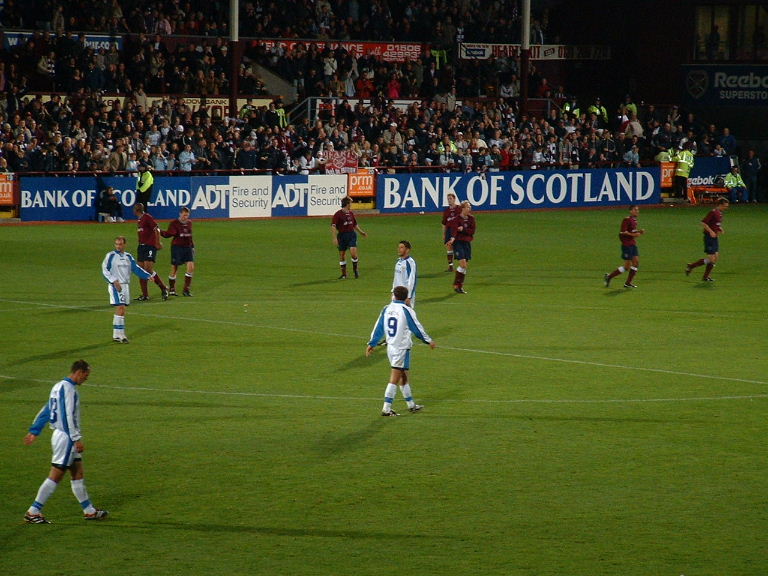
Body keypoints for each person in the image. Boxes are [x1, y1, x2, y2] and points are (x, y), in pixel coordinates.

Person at [22, 359, 108, 523]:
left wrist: (35, 430)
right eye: (86, 375)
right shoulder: (69, 389)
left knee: (77, 472)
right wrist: (76, 439)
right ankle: (33, 511)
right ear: (79, 372)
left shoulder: (57, 387)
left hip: (63, 435)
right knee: (56, 475)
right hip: (66, 437)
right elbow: (67, 416)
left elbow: (47, 409)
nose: (86, 378)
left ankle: (89, 510)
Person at [366, 286, 436, 417]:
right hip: (401, 348)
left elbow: (379, 326)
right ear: (406, 297)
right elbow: (416, 328)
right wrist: (428, 340)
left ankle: (411, 405)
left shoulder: (387, 308)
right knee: (395, 378)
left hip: (391, 347)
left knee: (404, 376)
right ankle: (386, 409)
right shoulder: (406, 310)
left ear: (394, 295)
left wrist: (372, 343)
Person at [102, 236, 154, 343]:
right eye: (116, 244)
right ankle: (121, 335)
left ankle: (116, 335)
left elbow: (135, 268)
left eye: (120, 244)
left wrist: (147, 276)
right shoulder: (110, 256)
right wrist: (114, 281)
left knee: (122, 310)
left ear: (124, 245)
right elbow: (104, 270)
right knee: (120, 308)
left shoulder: (128, 257)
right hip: (116, 285)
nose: (118, 246)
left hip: (125, 286)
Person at [685, 197, 729, 282]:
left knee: (715, 258)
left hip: (715, 238)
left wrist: (720, 228)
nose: (726, 208)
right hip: (709, 237)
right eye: (725, 206)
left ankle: (705, 276)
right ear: (720, 205)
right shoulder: (713, 212)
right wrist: (711, 232)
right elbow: (703, 223)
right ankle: (692, 266)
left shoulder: (720, 213)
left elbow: (716, 224)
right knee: (711, 259)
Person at [133, 203, 169, 301]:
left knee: (148, 269)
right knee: (141, 271)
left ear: (136, 210)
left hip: (149, 246)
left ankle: (163, 288)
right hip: (141, 247)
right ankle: (145, 295)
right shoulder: (139, 220)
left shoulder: (147, 217)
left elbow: (156, 229)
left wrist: (158, 242)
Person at [603, 205, 646, 288]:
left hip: (632, 244)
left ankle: (628, 283)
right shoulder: (626, 220)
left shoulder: (634, 220)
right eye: (635, 210)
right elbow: (623, 232)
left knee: (636, 263)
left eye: (638, 210)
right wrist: (634, 234)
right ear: (630, 211)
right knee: (627, 266)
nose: (637, 211)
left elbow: (631, 231)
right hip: (627, 245)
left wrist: (639, 231)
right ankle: (609, 277)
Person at [160, 206, 195, 296]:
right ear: (180, 214)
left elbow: (190, 236)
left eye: (187, 215)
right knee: (174, 268)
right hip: (177, 247)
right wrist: (159, 231)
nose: (185, 217)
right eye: (184, 215)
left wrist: (193, 247)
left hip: (187, 248)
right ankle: (172, 289)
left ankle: (186, 290)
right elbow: (168, 234)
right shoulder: (174, 223)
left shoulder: (189, 223)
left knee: (191, 267)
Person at [331, 196, 367, 279]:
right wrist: (334, 238)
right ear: (347, 204)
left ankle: (355, 270)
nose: (351, 204)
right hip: (342, 236)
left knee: (353, 254)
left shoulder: (351, 213)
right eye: (350, 203)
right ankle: (344, 274)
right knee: (342, 255)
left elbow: (354, 224)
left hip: (351, 235)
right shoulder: (338, 214)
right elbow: (333, 226)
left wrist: (361, 232)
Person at [447, 201, 476, 294]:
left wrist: (463, 229)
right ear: (462, 208)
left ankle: (459, 286)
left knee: (464, 266)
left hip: (467, 243)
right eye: (467, 207)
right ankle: (456, 284)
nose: (469, 208)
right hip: (458, 243)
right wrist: (452, 239)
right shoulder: (456, 219)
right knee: (463, 265)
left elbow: (472, 231)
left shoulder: (471, 219)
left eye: (470, 207)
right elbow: (454, 231)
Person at [392, 240, 417, 307]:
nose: (399, 249)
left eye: (401, 247)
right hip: (396, 295)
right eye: (398, 247)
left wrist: (408, 297)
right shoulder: (398, 262)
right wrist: (393, 292)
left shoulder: (410, 263)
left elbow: (412, 280)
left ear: (407, 250)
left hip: (405, 296)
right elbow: (396, 279)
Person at [441, 192, 461, 271]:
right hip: (449, 231)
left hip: (457, 231)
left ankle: (461, 264)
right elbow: (444, 223)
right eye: (448, 199)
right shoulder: (446, 211)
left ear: (454, 199)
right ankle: (450, 266)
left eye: (450, 199)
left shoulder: (459, 209)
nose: (449, 200)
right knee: (449, 247)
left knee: (458, 247)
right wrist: (444, 234)